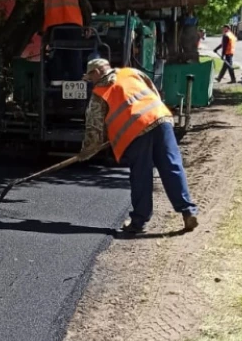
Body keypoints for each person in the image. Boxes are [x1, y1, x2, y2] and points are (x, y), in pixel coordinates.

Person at [78, 58, 199, 234]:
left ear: (96, 73)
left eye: (91, 78)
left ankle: (138, 222)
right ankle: (188, 212)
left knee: (141, 174)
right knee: (171, 165)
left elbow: (94, 128)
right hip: (160, 118)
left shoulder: (100, 92)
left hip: (135, 131)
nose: (91, 82)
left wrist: (87, 152)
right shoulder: (131, 73)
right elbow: (152, 91)